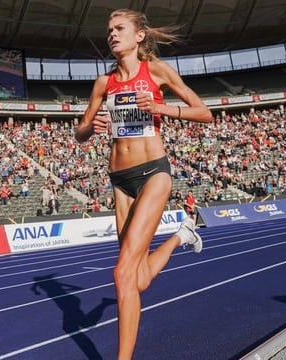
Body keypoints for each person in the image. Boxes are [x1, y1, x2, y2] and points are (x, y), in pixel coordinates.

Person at [75, 8, 213, 359]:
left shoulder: (157, 71)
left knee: (121, 274)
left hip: (154, 172)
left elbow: (204, 112)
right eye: (109, 30)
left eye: (119, 28)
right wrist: (94, 128)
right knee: (136, 279)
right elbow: (80, 131)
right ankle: (183, 236)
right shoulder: (104, 83)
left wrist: (161, 108)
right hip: (119, 181)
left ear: (139, 36)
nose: (112, 34)